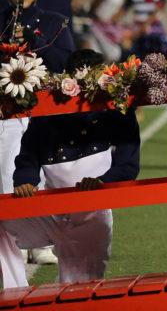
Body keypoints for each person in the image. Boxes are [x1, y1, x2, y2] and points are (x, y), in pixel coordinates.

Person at [4, 49, 140, 284]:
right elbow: (29, 153)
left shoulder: (117, 109)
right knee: (2, 218)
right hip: (50, 210)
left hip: (92, 213)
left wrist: (103, 183)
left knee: (82, 289)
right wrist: (25, 179)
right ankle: (14, 292)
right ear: (69, 80)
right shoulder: (49, 108)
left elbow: (129, 165)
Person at [0, 0, 76, 287]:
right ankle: (14, 266)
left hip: (44, 113)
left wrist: (33, 50)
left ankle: (41, 240)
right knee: (7, 185)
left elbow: (67, 60)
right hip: (7, 118)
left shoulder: (53, 21)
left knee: (45, 177)